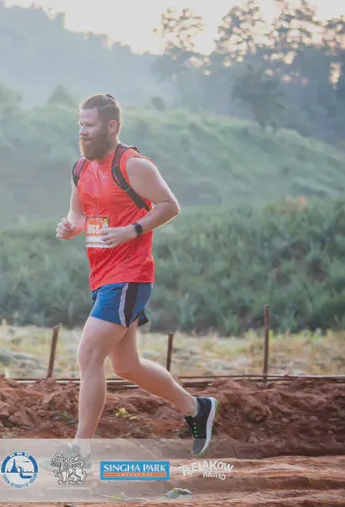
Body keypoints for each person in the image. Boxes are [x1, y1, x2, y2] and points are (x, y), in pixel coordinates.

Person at [56, 93, 218, 460]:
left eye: (90, 126)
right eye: (80, 125)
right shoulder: (82, 167)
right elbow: (79, 213)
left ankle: (78, 451)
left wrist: (133, 230)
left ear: (112, 127)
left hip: (130, 274)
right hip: (101, 275)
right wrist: (70, 226)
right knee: (126, 364)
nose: (83, 132)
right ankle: (197, 408)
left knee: (88, 354)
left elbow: (169, 206)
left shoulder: (134, 165)